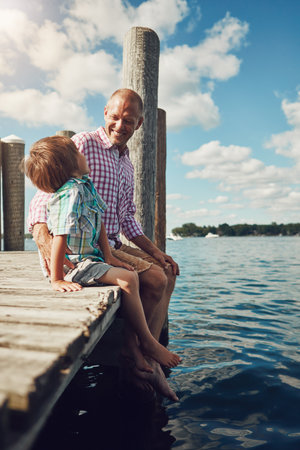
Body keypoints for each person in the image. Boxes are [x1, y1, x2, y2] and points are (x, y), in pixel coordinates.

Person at [28, 88, 180, 401]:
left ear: (138, 124)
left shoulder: (127, 164)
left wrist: (156, 252)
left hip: (109, 242)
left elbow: (127, 221)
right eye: (114, 116)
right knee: (153, 279)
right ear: (105, 114)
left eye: (128, 119)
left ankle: (139, 353)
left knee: (166, 269)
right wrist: (43, 238)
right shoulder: (82, 144)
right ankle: (137, 355)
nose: (119, 124)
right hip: (81, 249)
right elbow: (46, 196)